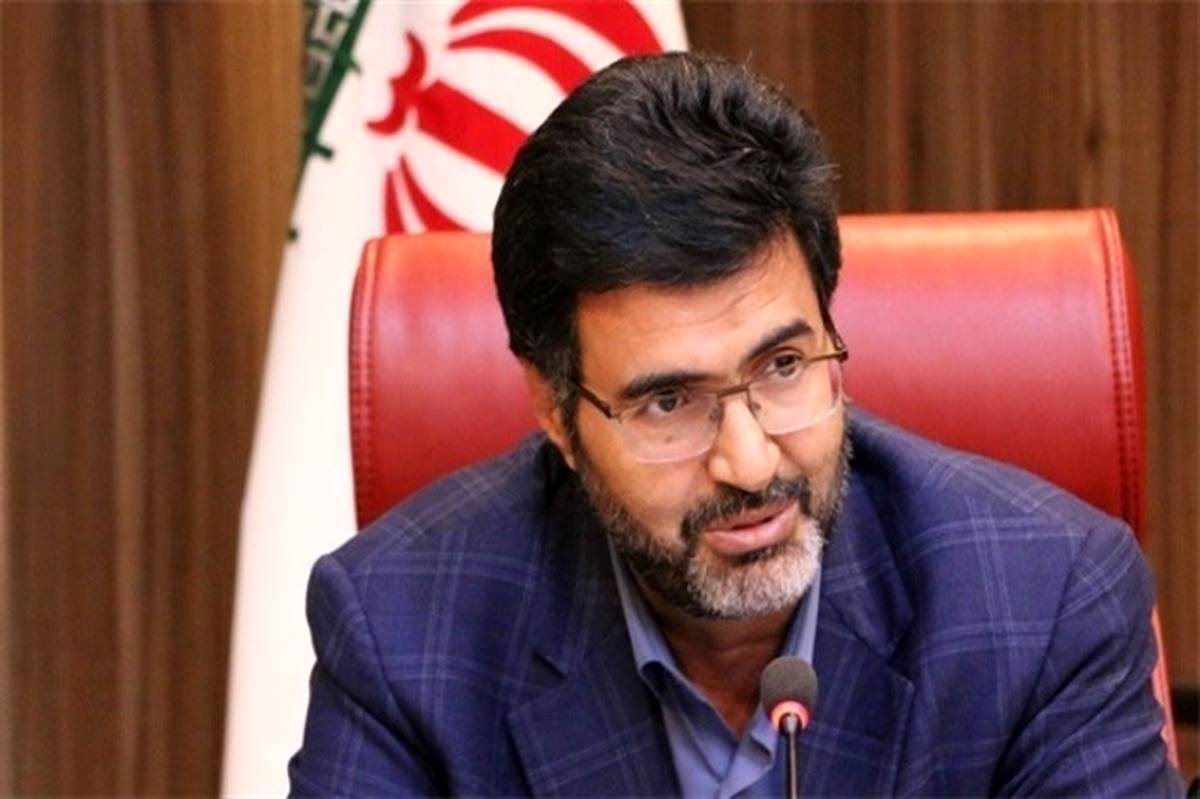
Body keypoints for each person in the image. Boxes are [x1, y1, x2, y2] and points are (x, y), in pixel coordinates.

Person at [289, 52, 1183, 796]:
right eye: (669, 402)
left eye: (783, 367)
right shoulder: (403, 627)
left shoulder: (1044, 600)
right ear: (556, 410)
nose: (751, 465)